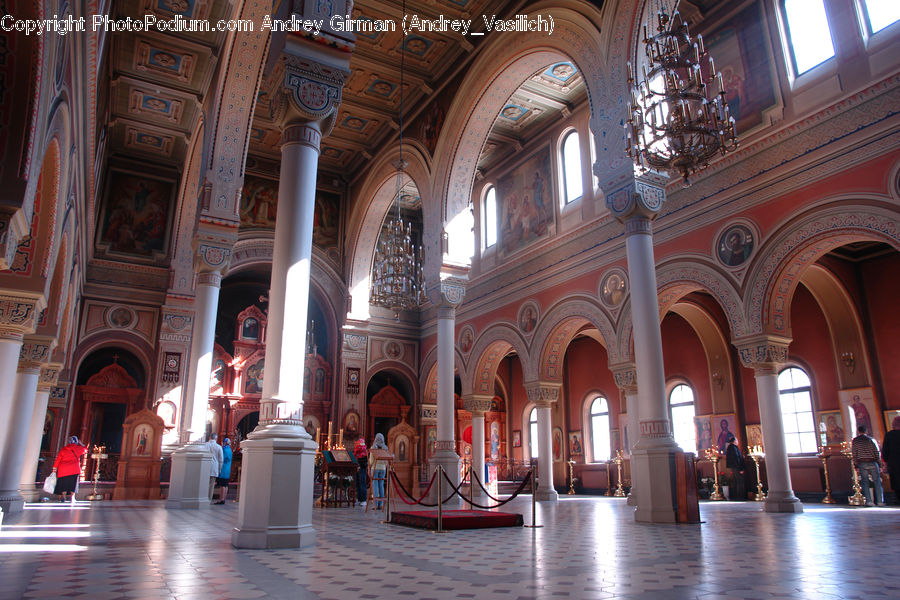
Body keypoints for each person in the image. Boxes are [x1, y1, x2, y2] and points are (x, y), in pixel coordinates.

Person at [851, 425, 883, 506]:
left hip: (862, 463)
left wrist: (856, 465)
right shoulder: (871, 440)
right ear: (866, 431)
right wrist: (880, 465)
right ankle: (880, 501)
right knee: (877, 482)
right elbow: (877, 452)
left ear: (859, 431)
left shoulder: (855, 441)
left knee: (865, 482)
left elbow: (854, 454)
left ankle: (869, 501)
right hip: (873, 462)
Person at [51, 436, 87, 503]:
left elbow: (58, 459)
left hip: (63, 470)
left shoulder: (63, 449)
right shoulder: (78, 448)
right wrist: (81, 444)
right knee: (73, 484)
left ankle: (63, 497)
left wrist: (54, 468)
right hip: (74, 469)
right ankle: (72, 498)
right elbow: (86, 450)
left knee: (63, 483)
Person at [369, 433, 392, 510]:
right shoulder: (385, 448)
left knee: (375, 484)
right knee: (381, 484)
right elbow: (386, 461)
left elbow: (371, 460)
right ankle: (381, 504)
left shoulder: (373, 447)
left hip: (375, 468)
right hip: (383, 469)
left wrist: (370, 466)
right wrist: (384, 466)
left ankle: (375, 504)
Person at [882, 416, 900, 505]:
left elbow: (885, 451)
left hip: (894, 463)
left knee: (896, 483)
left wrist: (885, 462)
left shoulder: (889, 435)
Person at [724, 434, 746, 501]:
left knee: (736, 481)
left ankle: (737, 496)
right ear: (734, 441)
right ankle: (740, 496)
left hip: (734, 467)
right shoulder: (733, 448)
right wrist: (741, 468)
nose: (738, 442)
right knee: (739, 481)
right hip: (737, 467)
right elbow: (737, 458)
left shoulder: (731, 447)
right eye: (737, 440)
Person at [214, 438, 232, 505]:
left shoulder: (224, 450)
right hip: (228, 469)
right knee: (226, 485)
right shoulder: (230, 449)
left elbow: (221, 459)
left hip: (223, 469)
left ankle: (221, 499)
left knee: (222, 485)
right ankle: (224, 498)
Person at [206, 433, 223, 502]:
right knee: (211, 485)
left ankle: (203, 497)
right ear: (216, 438)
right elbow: (221, 460)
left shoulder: (205, 445)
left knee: (204, 483)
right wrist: (220, 469)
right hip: (214, 467)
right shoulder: (219, 447)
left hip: (205, 466)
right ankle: (209, 499)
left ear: (210, 437)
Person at [353, 436, 368, 507]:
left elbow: (364, 460)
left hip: (361, 468)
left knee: (362, 483)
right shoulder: (358, 450)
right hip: (359, 468)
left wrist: (359, 464)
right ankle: (360, 499)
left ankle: (363, 500)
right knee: (359, 484)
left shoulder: (363, 451)